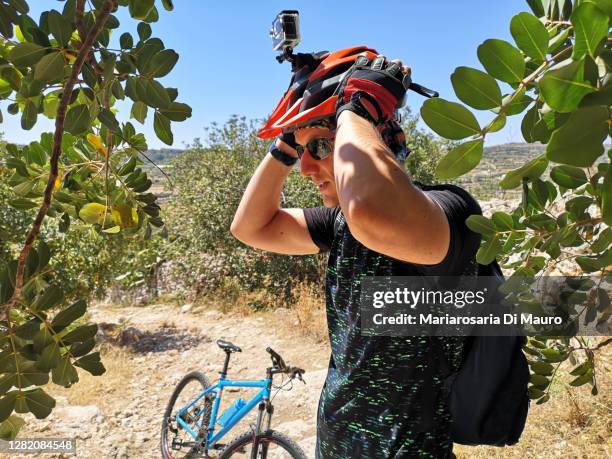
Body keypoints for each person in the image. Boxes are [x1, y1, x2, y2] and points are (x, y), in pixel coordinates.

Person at [230, 46, 483, 458]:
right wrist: (286, 145)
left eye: (322, 148)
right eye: (302, 153)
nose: (306, 169)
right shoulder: (341, 224)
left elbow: (371, 207)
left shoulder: (451, 213)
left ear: (371, 136)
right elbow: (250, 227)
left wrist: (358, 107)